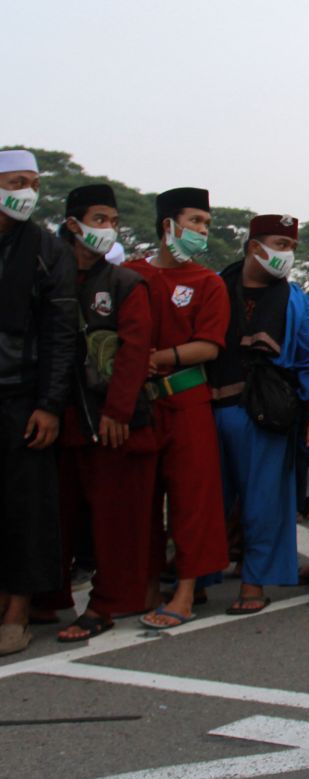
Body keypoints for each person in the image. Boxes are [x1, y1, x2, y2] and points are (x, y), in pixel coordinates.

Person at [33, 185, 153, 642]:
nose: (107, 229)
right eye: (99, 219)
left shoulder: (125, 283)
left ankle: (107, 603)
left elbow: (134, 352)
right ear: (72, 224)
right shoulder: (46, 275)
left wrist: (119, 411)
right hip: (54, 417)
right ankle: (47, 599)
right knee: (53, 515)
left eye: (113, 221)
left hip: (108, 419)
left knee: (111, 517)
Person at [209, 214, 309, 614]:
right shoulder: (213, 289)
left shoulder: (297, 301)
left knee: (264, 502)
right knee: (206, 499)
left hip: (267, 414)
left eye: (292, 247)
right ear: (252, 247)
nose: (286, 254)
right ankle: (196, 576)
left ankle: (254, 581)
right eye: (279, 244)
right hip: (208, 409)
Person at [125, 187, 230, 629]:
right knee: (139, 499)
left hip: (187, 400)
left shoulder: (208, 283)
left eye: (206, 223)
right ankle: (144, 585)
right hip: (137, 406)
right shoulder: (129, 275)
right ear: (168, 225)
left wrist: (159, 359)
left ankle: (186, 590)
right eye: (195, 222)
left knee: (193, 499)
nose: (202, 231)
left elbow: (208, 347)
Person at [0, 151, 76, 656]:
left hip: (22, 397)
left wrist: (49, 403)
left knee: (24, 507)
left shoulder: (48, 248)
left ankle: (17, 610)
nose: (26, 190)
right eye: (15, 181)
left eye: (33, 182)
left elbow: (61, 335)